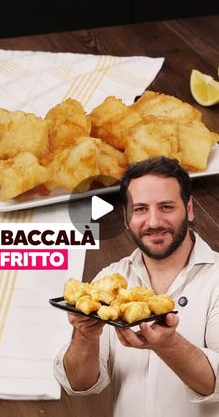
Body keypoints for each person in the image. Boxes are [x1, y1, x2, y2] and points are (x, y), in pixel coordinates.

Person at [54, 156, 219, 417]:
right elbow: (79, 384)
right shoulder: (110, 279)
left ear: (188, 209)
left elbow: (217, 382)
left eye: (166, 207)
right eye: (140, 209)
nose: (153, 222)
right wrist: (86, 336)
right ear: (126, 216)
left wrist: (167, 344)